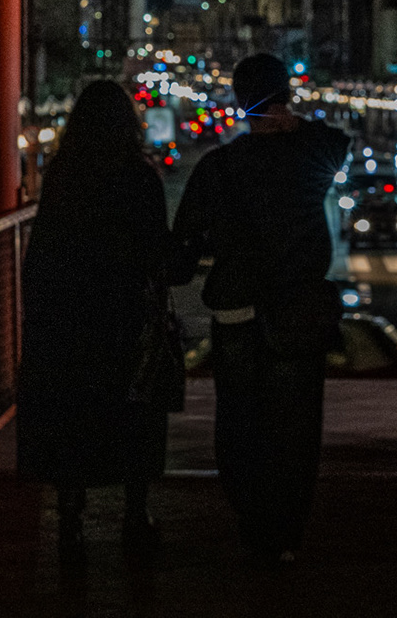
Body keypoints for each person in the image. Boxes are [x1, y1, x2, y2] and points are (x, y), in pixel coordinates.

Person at [168, 54, 351, 565]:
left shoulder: (221, 168)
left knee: (240, 426)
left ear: (237, 102)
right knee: (296, 429)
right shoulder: (313, 157)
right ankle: (287, 533)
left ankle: (254, 524)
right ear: (286, 97)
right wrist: (291, 120)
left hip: (239, 314)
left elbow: (182, 250)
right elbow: (337, 142)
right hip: (299, 313)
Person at [17, 80, 181, 571]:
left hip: (70, 319)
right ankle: (136, 513)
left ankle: (71, 517)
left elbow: (43, 253)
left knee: (72, 416)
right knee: (134, 414)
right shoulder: (140, 177)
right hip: (125, 315)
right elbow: (157, 251)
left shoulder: (63, 177)